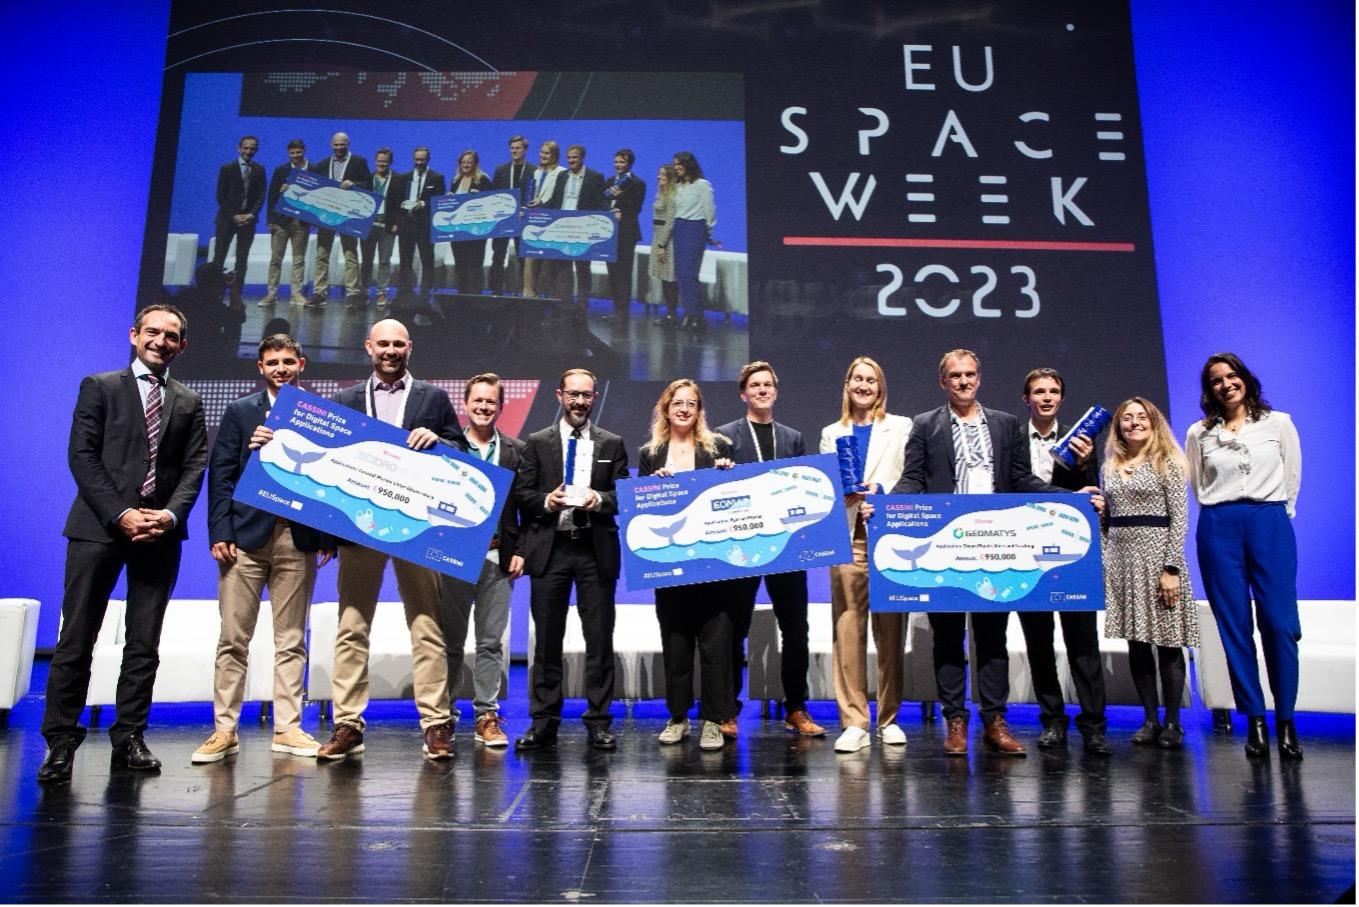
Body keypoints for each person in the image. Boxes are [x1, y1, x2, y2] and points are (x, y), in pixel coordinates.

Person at [892, 349, 1101, 757]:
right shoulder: (924, 425)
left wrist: (1068, 498)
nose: (964, 381)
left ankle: (994, 721)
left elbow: (1022, 480)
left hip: (995, 546)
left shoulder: (1005, 425)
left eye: (970, 374)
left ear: (979, 378)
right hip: (945, 547)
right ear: (943, 382)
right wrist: (883, 508)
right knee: (948, 639)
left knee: (992, 640)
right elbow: (913, 479)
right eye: (955, 376)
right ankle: (955, 721)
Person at [39, 304, 208, 783]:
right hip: (98, 529)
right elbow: (82, 457)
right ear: (135, 335)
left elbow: (196, 466)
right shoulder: (100, 387)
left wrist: (171, 515)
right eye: (152, 332)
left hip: (159, 535)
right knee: (76, 640)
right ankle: (60, 742)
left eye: (171, 335)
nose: (161, 341)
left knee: (144, 644)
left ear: (182, 345)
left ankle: (130, 736)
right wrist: (122, 514)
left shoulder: (190, 400)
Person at [311, 319, 467, 761]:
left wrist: (439, 441)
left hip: (415, 526)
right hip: (359, 527)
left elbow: (460, 452)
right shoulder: (344, 399)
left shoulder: (433, 398)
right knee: (352, 626)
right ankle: (348, 724)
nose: (391, 350)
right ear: (368, 347)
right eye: (384, 343)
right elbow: (328, 467)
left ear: (410, 348)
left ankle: (436, 723)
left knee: (426, 625)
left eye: (399, 344)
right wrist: (327, 532)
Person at [193, 335, 335, 764]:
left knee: (291, 639)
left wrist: (327, 534)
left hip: (298, 538)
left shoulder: (321, 415)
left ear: (302, 364)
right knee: (234, 638)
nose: (280, 368)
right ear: (260, 367)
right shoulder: (240, 412)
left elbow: (332, 478)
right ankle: (224, 730)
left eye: (288, 361)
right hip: (246, 539)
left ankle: (288, 728)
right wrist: (220, 529)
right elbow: (220, 475)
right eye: (272, 362)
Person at [1186, 353, 1303, 760]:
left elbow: (1291, 479)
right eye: (1216, 380)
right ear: (1209, 389)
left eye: (1231, 375)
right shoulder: (1199, 433)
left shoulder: (1278, 423)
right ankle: (1254, 720)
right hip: (1219, 526)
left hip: (1268, 520)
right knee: (1233, 626)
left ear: (1246, 379)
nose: (1226, 384)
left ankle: (1286, 720)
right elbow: (1199, 483)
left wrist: (1272, 515)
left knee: (1280, 623)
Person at [513, 368, 629, 751]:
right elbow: (523, 495)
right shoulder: (537, 442)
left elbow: (623, 495)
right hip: (551, 549)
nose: (580, 402)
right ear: (559, 395)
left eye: (587, 395)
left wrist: (602, 500)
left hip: (594, 551)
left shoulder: (612, 443)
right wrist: (547, 501)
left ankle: (598, 721)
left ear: (595, 398)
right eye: (573, 394)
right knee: (546, 642)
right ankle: (544, 721)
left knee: (599, 641)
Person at [716, 361, 825, 739]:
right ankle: (728, 709)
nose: (762, 390)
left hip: (785, 547)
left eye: (767, 385)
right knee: (734, 629)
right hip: (743, 547)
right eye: (754, 385)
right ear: (743, 393)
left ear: (775, 391)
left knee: (796, 628)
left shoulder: (792, 438)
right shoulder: (724, 437)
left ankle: (795, 707)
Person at [1013, 368, 1113, 755]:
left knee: (1082, 641)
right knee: (1038, 642)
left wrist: (1086, 466)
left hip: (1073, 553)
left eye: (1054, 391)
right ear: (1027, 399)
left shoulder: (1081, 439)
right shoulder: (1012, 440)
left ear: (1062, 398)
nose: (1047, 397)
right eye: (1039, 391)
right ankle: (1052, 721)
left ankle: (1094, 726)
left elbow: (1091, 495)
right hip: (1026, 553)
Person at [638, 380, 740, 751]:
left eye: (691, 403)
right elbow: (643, 513)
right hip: (671, 565)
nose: (684, 409)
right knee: (676, 644)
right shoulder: (651, 453)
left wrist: (729, 474)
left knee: (716, 647)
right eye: (677, 403)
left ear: (700, 410)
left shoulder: (720, 448)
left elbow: (736, 501)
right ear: (665, 408)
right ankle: (678, 716)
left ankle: (713, 720)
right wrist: (650, 487)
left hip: (713, 566)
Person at [817, 357, 911, 753]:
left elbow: (911, 478)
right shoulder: (830, 432)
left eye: (871, 379)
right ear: (847, 384)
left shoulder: (902, 427)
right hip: (848, 537)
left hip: (889, 539)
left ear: (880, 386)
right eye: (857, 378)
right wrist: (844, 491)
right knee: (847, 628)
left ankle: (888, 717)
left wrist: (881, 490)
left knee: (891, 631)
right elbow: (825, 483)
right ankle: (854, 720)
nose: (864, 385)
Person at [1100, 397, 1198, 749]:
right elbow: (1109, 519)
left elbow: (1180, 518)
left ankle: (1173, 721)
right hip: (1123, 561)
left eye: (1142, 417)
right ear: (1118, 426)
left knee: (1169, 644)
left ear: (1154, 423)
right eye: (1127, 418)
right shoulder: (1110, 465)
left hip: (1159, 560)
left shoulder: (1167, 461)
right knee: (1138, 643)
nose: (1135, 422)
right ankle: (1150, 718)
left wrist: (1171, 567)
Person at [438, 373, 525, 749]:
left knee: (491, 642)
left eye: (491, 402)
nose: (484, 407)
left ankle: (487, 714)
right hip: (455, 555)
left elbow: (525, 509)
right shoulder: (446, 445)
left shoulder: (515, 450)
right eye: (478, 401)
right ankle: (444, 713)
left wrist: (520, 550)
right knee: (450, 640)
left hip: (496, 556)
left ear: (500, 406)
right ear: (466, 403)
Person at [308, 132, 371, 308]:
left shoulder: (359, 162)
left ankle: (352, 293)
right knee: (322, 254)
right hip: (327, 216)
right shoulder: (322, 164)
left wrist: (354, 184)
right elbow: (315, 189)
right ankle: (319, 292)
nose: (339, 148)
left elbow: (368, 184)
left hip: (347, 215)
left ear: (348, 144)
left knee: (350, 254)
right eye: (336, 145)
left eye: (342, 145)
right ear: (331, 145)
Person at [389, 146, 445, 313]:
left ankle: (425, 293)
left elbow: (440, 199)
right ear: (413, 159)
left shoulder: (437, 177)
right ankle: (405, 291)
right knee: (405, 260)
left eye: (422, 159)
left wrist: (424, 204)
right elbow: (397, 201)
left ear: (428, 159)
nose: (419, 162)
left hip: (425, 226)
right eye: (417, 159)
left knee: (427, 260)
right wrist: (397, 219)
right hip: (406, 225)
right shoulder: (404, 177)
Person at [212, 135, 266, 306]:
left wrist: (252, 214)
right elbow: (221, 196)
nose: (249, 151)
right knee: (219, 257)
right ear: (239, 148)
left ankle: (237, 293)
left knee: (242, 259)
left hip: (248, 221)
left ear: (256, 150)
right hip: (227, 220)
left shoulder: (259, 169)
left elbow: (261, 195)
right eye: (246, 148)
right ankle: (215, 293)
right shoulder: (227, 168)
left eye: (252, 148)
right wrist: (234, 215)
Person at [553, 144, 607, 307]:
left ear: (582, 158)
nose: (571, 161)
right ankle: (566, 302)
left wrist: (612, 211)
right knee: (564, 268)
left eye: (574, 157)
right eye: (569, 157)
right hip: (563, 228)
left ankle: (583, 303)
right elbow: (554, 201)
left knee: (583, 267)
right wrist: (535, 208)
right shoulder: (562, 175)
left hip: (583, 230)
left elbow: (600, 201)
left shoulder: (595, 176)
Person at [261, 139, 311, 307]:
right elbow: (272, 196)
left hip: (301, 223)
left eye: (298, 152)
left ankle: (296, 294)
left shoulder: (314, 169)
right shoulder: (281, 170)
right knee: (276, 259)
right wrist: (270, 220)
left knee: (299, 260)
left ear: (304, 151)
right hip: (281, 222)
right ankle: (271, 294)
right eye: (292, 153)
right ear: (288, 153)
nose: (296, 156)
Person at [671, 151, 717, 333]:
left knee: (690, 274)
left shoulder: (702, 185)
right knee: (681, 274)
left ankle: (698, 316)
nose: (676, 168)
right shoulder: (679, 186)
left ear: (688, 164)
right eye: (675, 164)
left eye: (679, 164)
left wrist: (708, 231)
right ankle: (689, 314)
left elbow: (709, 210)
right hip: (679, 227)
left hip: (695, 228)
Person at [604, 148, 646, 320]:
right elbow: (602, 202)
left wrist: (622, 196)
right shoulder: (609, 180)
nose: (618, 165)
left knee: (624, 272)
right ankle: (615, 308)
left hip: (627, 232)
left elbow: (637, 208)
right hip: (610, 232)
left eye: (621, 162)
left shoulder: (637, 183)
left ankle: (623, 311)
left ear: (629, 164)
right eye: (616, 162)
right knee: (612, 271)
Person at [488, 135, 532, 295]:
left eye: (518, 148)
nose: (514, 151)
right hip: (503, 220)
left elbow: (535, 195)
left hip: (523, 219)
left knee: (523, 257)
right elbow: (494, 194)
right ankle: (496, 291)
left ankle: (524, 291)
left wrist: (526, 208)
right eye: (512, 148)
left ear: (525, 150)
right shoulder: (501, 170)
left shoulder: (534, 170)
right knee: (498, 255)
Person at [521, 140, 564, 299]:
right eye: (541, 152)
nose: (543, 156)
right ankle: (528, 292)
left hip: (551, 219)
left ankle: (550, 296)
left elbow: (557, 197)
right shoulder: (536, 173)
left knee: (548, 262)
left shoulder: (561, 172)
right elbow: (531, 196)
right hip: (534, 220)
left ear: (555, 155)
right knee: (530, 257)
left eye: (547, 153)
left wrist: (543, 204)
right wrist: (526, 208)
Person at [449, 149, 492, 295]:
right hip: (457, 232)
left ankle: (475, 296)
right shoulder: (455, 181)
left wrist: (479, 197)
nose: (466, 165)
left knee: (475, 265)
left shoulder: (483, 179)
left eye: (469, 162)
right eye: (463, 162)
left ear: (475, 164)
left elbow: (491, 203)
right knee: (460, 264)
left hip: (476, 232)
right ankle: (461, 295)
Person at [359, 147, 397, 309]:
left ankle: (382, 293)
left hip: (387, 226)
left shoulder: (397, 179)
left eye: (385, 161)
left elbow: (399, 203)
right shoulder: (367, 179)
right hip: (368, 225)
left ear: (390, 162)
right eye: (379, 161)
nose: (381, 164)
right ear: (375, 161)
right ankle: (364, 292)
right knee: (366, 261)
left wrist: (396, 222)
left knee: (384, 261)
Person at [648, 163, 681, 326]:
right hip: (658, 237)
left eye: (662, 174)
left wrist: (662, 245)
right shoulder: (661, 194)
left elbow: (670, 222)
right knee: (664, 279)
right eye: (658, 174)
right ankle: (669, 312)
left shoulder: (672, 196)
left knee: (670, 279)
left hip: (667, 241)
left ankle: (672, 314)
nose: (658, 177)